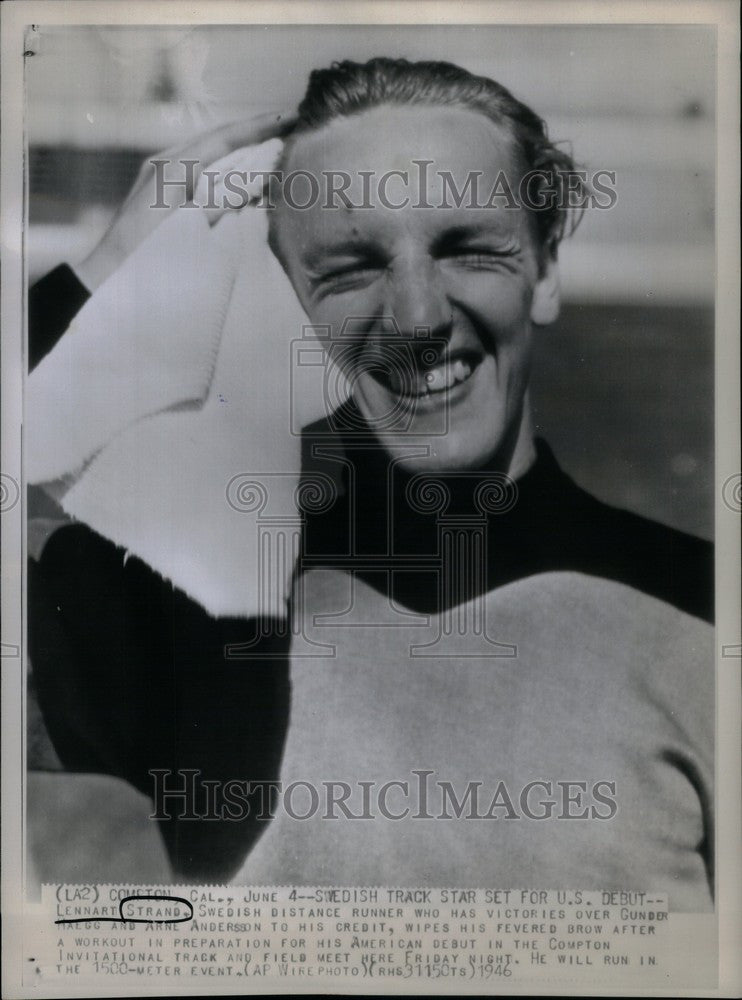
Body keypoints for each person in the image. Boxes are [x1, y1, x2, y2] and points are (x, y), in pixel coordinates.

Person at [27, 59, 713, 907]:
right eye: (351, 269)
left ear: (546, 272)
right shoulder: (175, 603)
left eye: (468, 250)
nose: (417, 319)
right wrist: (98, 276)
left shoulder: (704, 607)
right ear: (289, 297)